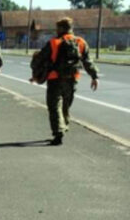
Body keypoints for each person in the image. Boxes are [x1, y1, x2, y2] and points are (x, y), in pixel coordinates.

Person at [33, 17, 100, 146]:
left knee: (54, 107)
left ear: (61, 29)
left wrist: (37, 74)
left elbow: (40, 59)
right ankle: (63, 126)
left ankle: (59, 132)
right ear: (71, 28)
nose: (56, 31)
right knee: (65, 106)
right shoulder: (80, 42)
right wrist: (94, 76)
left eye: (57, 28)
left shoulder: (54, 42)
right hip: (72, 79)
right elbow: (87, 61)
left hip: (55, 79)